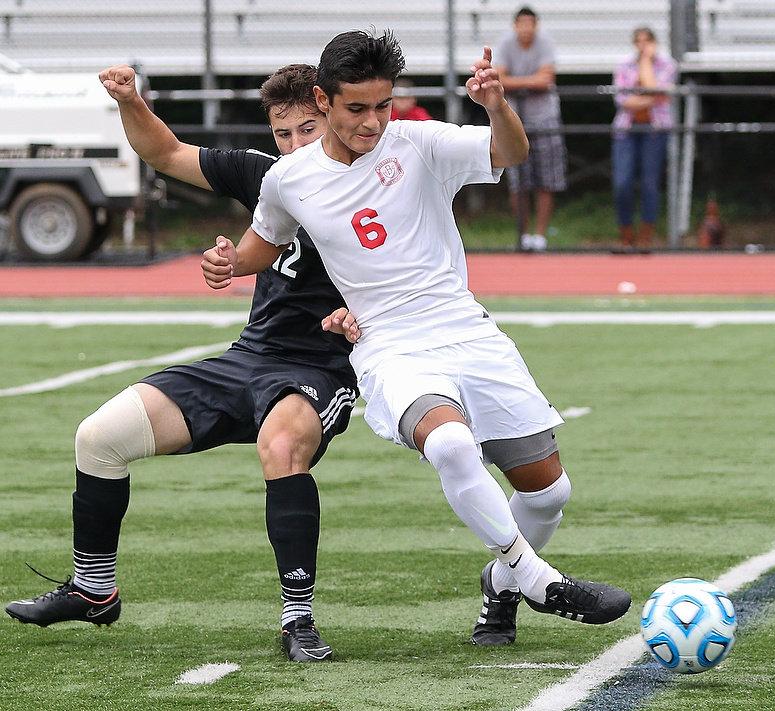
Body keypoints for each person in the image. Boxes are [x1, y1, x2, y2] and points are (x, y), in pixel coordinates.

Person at [203, 30, 631, 647]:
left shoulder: (421, 144)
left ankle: (503, 582)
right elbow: (260, 246)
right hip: (390, 346)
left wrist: (496, 106)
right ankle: (541, 583)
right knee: (452, 445)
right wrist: (228, 263)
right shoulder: (290, 178)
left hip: (467, 330)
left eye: (383, 105)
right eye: (357, 108)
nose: (373, 121)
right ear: (322, 101)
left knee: (548, 493)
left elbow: (509, 152)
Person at [5, 63, 362, 663]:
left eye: (308, 129)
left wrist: (361, 320)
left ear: (333, 115)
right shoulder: (267, 176)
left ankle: (297, 619)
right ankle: (94, 590)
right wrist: (129, 102)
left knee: (279, 446)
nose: (296, 146)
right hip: (250, 357)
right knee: (98, 437)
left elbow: (420, 275)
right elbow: (166, 152)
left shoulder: (381, 185)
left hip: (322, 367)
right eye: (284, 135)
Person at [495, 6, 567, 252]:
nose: (526, 28)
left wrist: (515, 82)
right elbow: (499, 79)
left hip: (544, 118)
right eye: (521, 23)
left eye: (530, 23)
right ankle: (522, 235)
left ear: (536, 25)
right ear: (515, 25)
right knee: (517, 180)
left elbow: (546, 79)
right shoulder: (505, 43)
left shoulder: (545, 42)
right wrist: (530, 81)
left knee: (547, 179)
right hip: (514, 120)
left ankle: (540, 236)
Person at [612, 27, 677, 250]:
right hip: (626, 130)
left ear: (653, 42)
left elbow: (653, 89)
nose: (642, 45)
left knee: (650, 184)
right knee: (622, 183)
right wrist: (652, 97)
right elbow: (623, 100)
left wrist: (646, 62)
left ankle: (645, 238)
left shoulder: (667, 64)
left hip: (655, 129)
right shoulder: (623, 65)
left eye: (646, 41)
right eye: (638, 41)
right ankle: (626, 236)